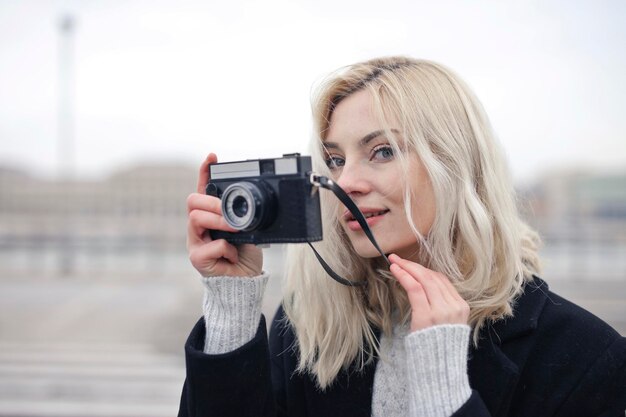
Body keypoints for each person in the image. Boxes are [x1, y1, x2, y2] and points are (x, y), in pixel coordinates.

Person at [179, 57, 626, 417]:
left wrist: (443, 389)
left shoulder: (589, 357)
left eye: (382, 151)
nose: (346, 181)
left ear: (453, 165)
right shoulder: (305, 326)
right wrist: (231, 308)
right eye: (334, 159)